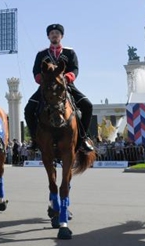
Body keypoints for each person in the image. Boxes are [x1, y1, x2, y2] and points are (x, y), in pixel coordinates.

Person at [24, 24, 95, 153]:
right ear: (48, 36)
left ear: (61, 36)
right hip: (46, 87)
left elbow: (75, 69)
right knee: (28, 109)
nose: (54, 35)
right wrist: (41, 80)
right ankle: (35, 140)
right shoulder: (41, 54)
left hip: (66, 86)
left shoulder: (69, 52)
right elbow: (36, 71)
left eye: (57, 33)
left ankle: (83, 138)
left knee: (87, 106)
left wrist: (67, 78)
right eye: (52, 33)